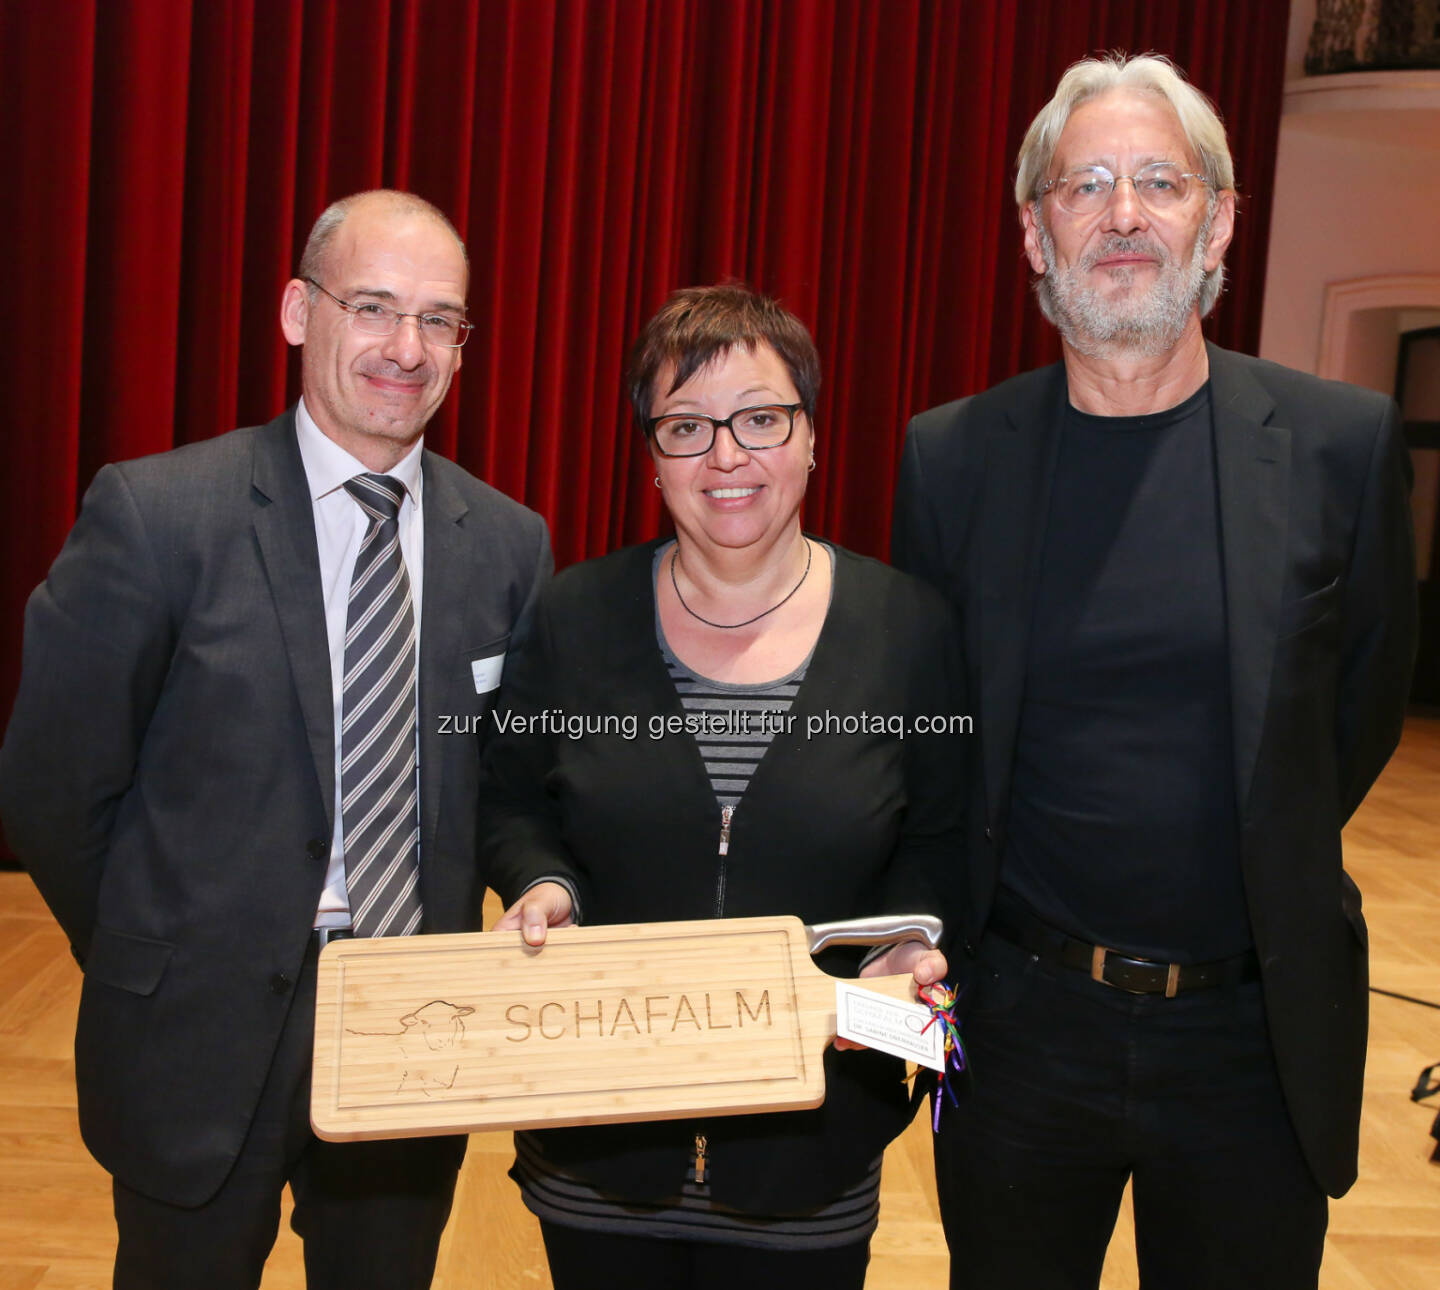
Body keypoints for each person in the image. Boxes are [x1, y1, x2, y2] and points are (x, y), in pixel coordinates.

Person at [892, 53, 1417, 1290]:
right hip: (1021, 1028)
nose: (1123, 214)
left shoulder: (1341, 446)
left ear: (1219, 218)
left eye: (1159, 182)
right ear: (1035, 231)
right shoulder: (951, 459)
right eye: (1086, 186)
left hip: (1255, 1032)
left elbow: (1361, 715)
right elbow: (934, 727)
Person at [0, 189, 552, 1289]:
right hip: (194, 1034)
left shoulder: (507, 543)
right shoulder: (158, 516)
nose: (407, 348)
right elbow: (56, 790)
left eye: (440, 320)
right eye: (374, 308)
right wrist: (148, 951)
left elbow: (506, 782)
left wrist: (538, 876)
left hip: (410, 1032)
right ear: (300, 312)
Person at [478, 284, 966, 1289]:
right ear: (652, 460)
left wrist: (907, 941)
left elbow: (949, 835)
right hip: (599, 1138)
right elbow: (513, 797)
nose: (727, 456)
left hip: (818, 1137)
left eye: (760, 418)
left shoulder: (910, 629)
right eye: (687, 427)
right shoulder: (574, 618)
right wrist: (543, 883)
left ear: (813, 437)